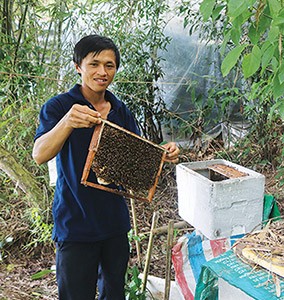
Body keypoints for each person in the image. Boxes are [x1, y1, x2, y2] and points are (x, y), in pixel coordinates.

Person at [32, 34, 180, 300]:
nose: (102, 72)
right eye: (94, 64)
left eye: (109, 65)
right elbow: (39, 155)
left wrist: (162, 155)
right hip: (75, 224)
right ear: (79, 66)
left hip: (114, 225)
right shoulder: (59, 107)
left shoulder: (120, 110)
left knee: (114, 295)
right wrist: (67, 122)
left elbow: (136, 158)